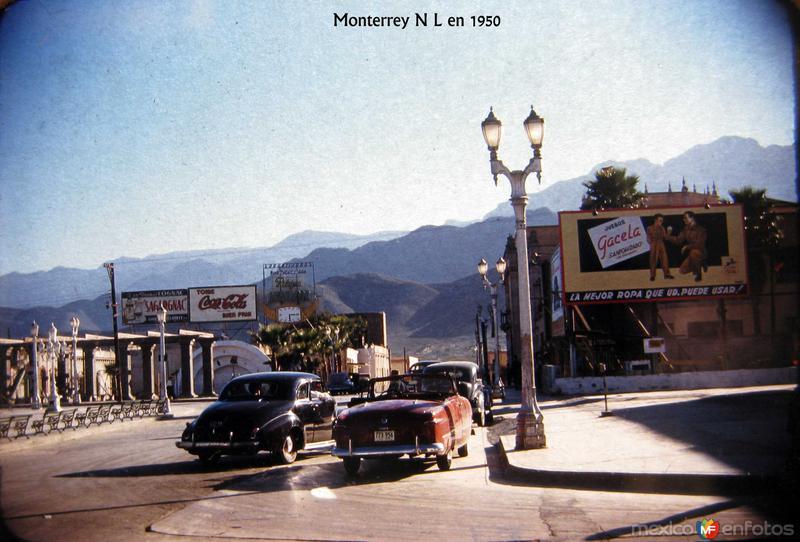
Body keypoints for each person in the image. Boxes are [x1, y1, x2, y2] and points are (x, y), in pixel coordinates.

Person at [666, 211, 708, 282]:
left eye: (685, 218)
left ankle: (698, 275)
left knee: (693, 252)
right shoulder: (686, 229)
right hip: (693, 255)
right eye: (683, 218)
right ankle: (700, 263)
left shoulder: (701, 230)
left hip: (701, 252)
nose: (684, 220)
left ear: (692, 218)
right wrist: (668, 236)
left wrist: (687, 247)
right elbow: (678, 240)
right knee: (682, 270)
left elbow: (699, 244)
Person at [646, 213, 675, 281]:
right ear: (655, 220)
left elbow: (665, 237)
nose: (661, 222)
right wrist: (650, 242)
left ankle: (667, 274)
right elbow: (648, 237)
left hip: (661, 243)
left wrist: (669, 232)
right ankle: (652, 275)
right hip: (654, 244)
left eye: (662, 221)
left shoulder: (662, 228)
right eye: (660, 220)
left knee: (664, 259)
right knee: (653, 260)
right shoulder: (650, 228)